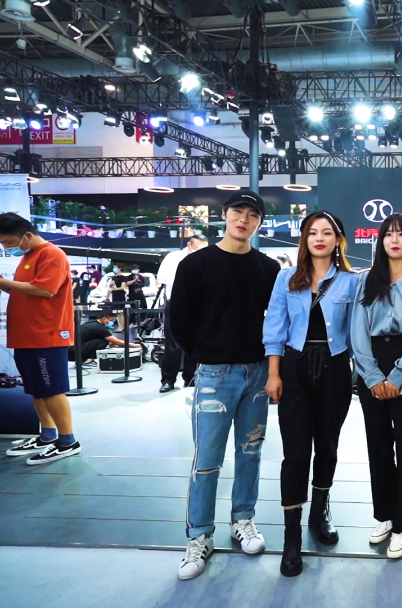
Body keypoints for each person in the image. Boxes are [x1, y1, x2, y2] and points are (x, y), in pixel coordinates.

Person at [169, 191, 281, 580]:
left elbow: (276, 320)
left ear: (259, 222)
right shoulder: (195, 264)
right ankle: (199, 535)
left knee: (250, 453)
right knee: (207, 459)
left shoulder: (268, 268)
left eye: (253, 214)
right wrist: (205, 355)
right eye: (238, 212)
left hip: (257, 374)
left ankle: (243, 519)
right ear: (225, 215)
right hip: (214, 375)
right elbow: (178, 319)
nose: (244, 219)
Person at [264, 211, 358, 576]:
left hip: (335, 369)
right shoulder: (286, 278)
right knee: (295, 453)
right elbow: (275, 327)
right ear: (304, 239)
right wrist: (274, 374)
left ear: (338, 240)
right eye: (313, 232)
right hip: (294, 368)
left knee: (328, 448)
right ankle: (291, 538)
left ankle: (319, 515)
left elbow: (358, 331)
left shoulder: (351, 282)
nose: (319, 238)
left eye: (327, 232)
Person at [351, 214, 402, 559]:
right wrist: (372, 376)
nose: (395, 240)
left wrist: (398, 376)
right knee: (379, 445)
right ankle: (384, 515)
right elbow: (357, 329)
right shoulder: (366, 280)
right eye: (389, 234)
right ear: (381, 240)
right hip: (371, 364)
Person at [0, 213, 82, 466]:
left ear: (27, 235)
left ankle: (68, 441)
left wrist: (4, 282)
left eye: (9, 242)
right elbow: (21, 290)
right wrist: (2, 283)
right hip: (26, 334)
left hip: (47, 334)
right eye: (2, 244)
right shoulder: (28, 257)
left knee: (52, 390)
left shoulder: (52, 254)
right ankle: (47, 435)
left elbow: (45, 290)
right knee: (36, 389)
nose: (7, 248)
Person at [157, 235, 209, 393]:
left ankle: (190, 377)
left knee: (195, 342)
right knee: (173, 344)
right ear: (189, 245)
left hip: (198, 304)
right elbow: (162, 277)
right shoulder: (173, 257)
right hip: (176, 302)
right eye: (198, 249)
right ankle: (168, 379)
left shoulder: (205, 259)